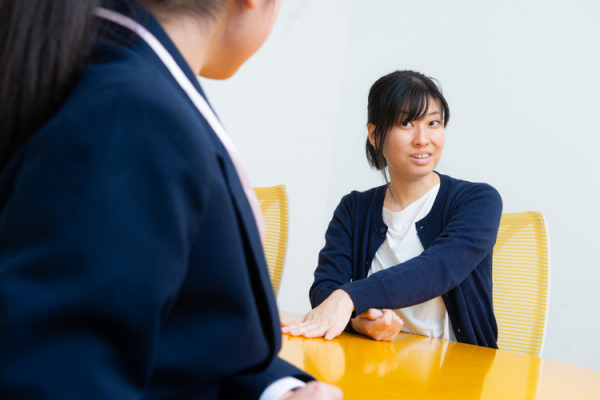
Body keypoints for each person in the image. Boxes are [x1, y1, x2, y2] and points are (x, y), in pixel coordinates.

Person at [0, 0, 342, 399]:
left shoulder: (111, 80)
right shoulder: (132, 114)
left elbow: (179, 327)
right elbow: (58, 376)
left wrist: (277, 390)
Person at [282, 70, 502, 348]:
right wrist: (357, 321)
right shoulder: (353, 209)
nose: (423, 139)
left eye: (433, 123)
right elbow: (326, 289)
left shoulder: (478, 200)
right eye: (406, 123)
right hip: (374, 359)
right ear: (375, 135)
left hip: (457, 363)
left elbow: (439, 269)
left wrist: (349, 298)